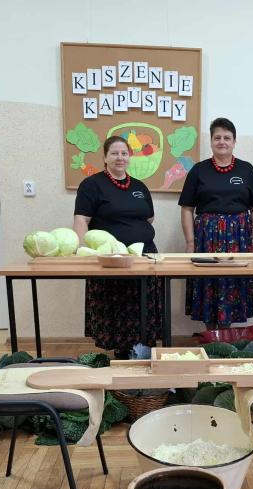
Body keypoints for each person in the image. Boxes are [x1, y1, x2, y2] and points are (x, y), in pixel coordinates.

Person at [74, 135, 162, 359]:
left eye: (124, 153)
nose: (120, 157)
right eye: (114, 153)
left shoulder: (139, 186)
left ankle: (143, 353)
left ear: (129, 157)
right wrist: (84, 254)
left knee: (143, 308)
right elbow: (82, 219)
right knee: (119, 309)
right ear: (105, 157)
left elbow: (149, 218)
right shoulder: (91, 185)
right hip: (111, 262)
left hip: (144, 258)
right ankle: (122, 357)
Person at [179, 117, 253, 328]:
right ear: (211, 141)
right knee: (208, 283)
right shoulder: (199, 170)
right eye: (217, 137)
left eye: (227, 137)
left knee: (234, 283)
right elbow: (187, 208)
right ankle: (211, 335)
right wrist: (190, 242)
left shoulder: (246, 170)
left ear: (234, 141)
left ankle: (226, 336)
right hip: (206, 238)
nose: (222, 142)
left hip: (239, 238)